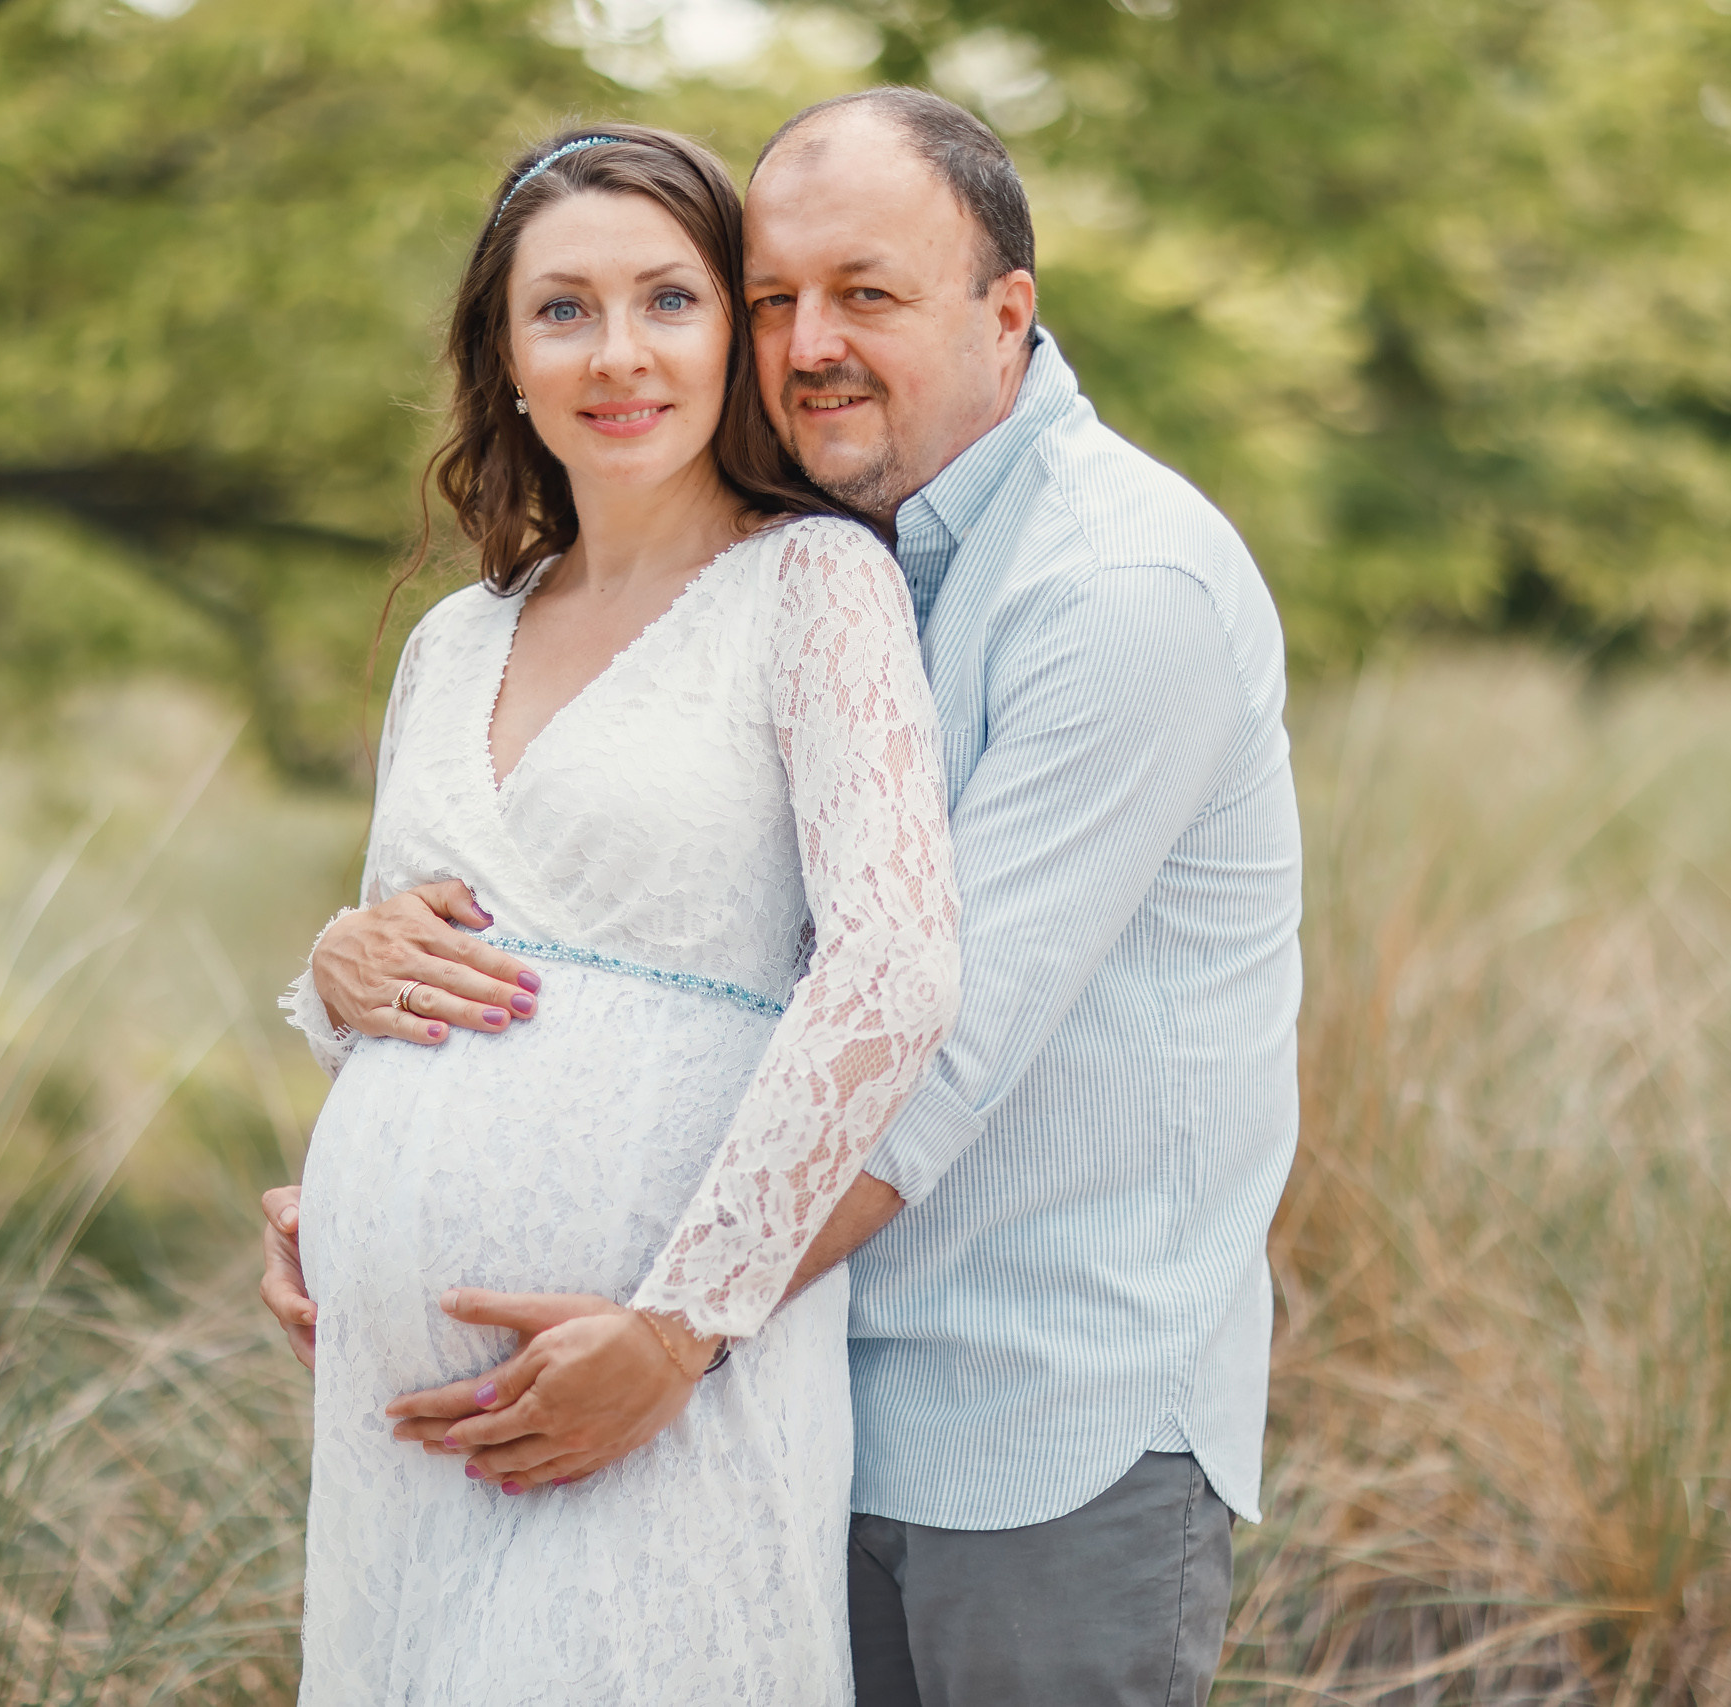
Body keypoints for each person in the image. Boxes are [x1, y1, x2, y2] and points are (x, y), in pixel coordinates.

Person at [266, 89, 1302, 1707]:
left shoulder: (1112, 587)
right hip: (788, 1371)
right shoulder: (830, 547)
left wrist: (679, 1327)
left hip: (1028, 1411)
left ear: (1007, 310)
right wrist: (357, 1161)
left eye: (868, 294)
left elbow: (930, 1034)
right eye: (772, 298)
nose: (806, 340)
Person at [272, 121, 960, 1703]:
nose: (618, 353)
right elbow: (421, 979)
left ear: (734, 334)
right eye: (562, 310)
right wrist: (334, 987)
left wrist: (683, 1320)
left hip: (661, 1386)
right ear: (504, 356)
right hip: (397, 1426)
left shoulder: (816, 591)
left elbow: (896, 972)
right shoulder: (453, 641)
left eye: (668, 300)